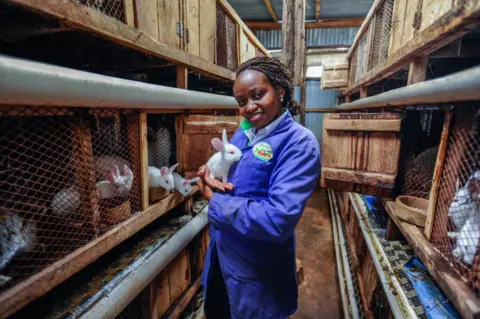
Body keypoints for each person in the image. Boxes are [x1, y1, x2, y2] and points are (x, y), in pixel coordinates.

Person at [197, 57, 321, 319]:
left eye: (257, 95)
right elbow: (233, 172)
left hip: (258, 272)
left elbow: (277, 219)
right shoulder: (245, 132)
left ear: (280, 90)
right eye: (242, 101)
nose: (249, 107)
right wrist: (214, 177)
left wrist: (215, 200)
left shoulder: (298, 143)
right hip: (222, 257)